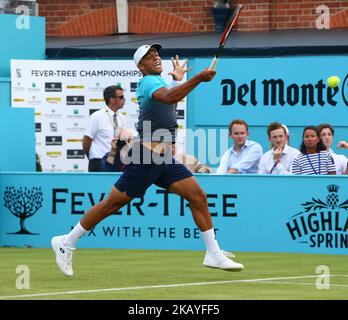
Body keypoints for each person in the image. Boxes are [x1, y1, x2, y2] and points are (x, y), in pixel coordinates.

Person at [51, 43, 244, 277]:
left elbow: (170, 96)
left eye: (156, 54)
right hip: (146, 157)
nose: (155, 57)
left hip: (163, 158)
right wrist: (198, 79)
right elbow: (170, 96)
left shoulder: (160, 82)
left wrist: (177, 79)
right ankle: (66, 242)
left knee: (198, 196)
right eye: (149, 56)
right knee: (112, 204)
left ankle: (213, 253)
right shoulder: (148, 82)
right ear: (140, 66)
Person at [82, 85, 128, 172]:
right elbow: (86, 141)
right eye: (121, 97)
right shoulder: (97, 117)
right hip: (99, 162)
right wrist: (93, 158)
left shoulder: (123, 118)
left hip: (117, 163)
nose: (124, 100)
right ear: (112, 99)